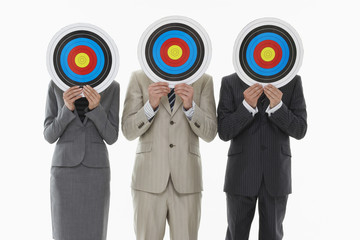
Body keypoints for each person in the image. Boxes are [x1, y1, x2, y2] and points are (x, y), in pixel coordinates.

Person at [122, 70, 217, 240]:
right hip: (148, 181)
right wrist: (150, 107)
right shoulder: (139, 77)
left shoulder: (204, 80)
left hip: (187, 180)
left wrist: (191, 107)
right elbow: (128, 131)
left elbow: (210, 134)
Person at [217, 74, 307, 240]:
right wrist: (246, 106)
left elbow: (300, 130)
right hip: (240, 173)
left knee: (272, 235)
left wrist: (278, 106)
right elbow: (224, 131)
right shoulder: (230, 82)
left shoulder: (293, 82)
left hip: (276, 173)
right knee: (236, 235)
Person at [44, 81, 120, 240]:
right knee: (63, 233)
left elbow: (112, 137)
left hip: (96, 172)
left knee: (95, 232)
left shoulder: (111, 86)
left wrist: (97, 109)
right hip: (64, 172)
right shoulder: (56, 84)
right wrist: (66, 109)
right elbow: (49, 135)